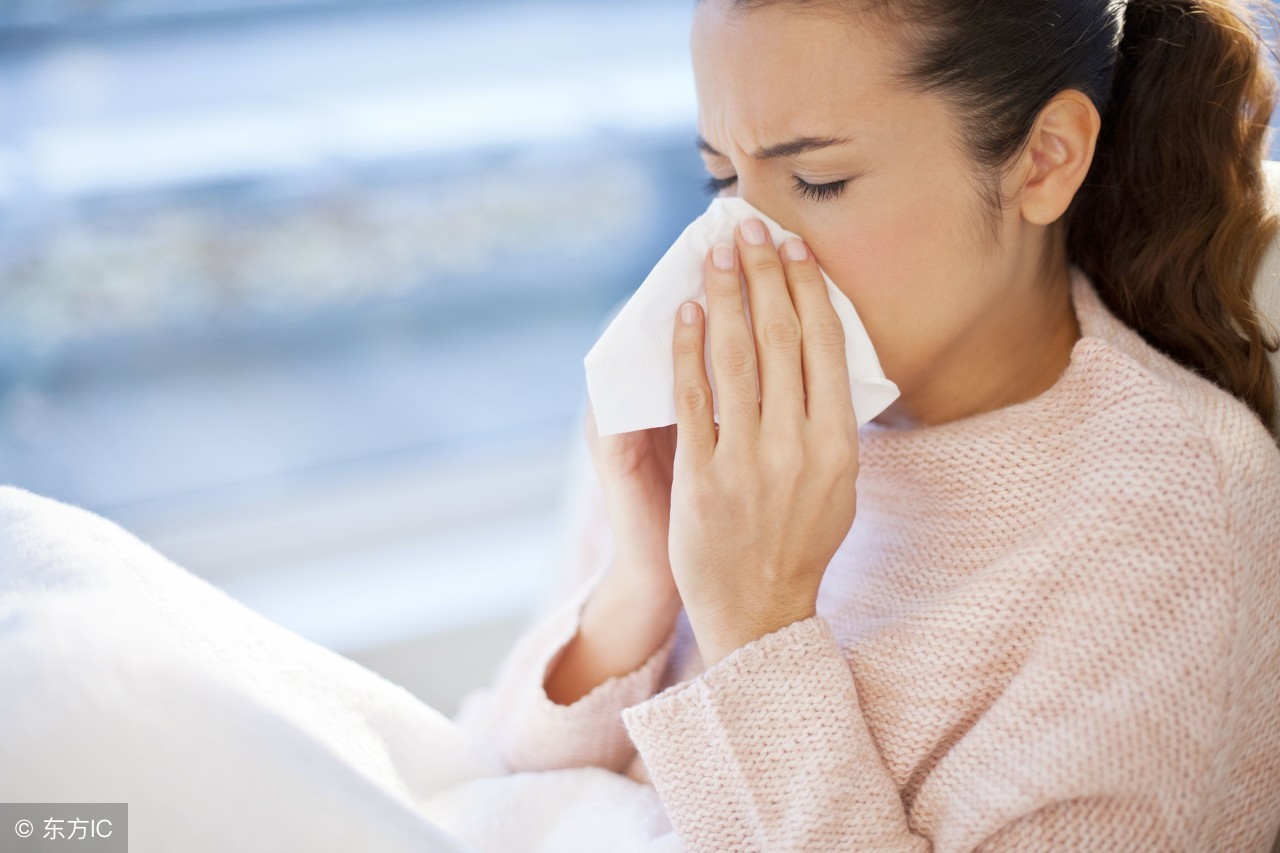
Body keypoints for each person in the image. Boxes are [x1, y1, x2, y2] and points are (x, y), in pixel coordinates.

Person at [453, 0, 1280, 850]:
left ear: (1044, 159)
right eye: (723, 181)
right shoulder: (712, 415)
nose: (738, 248)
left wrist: (756, 619)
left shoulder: (1173, 531)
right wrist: (643, 583)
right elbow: (490, 780)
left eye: (819, 181)